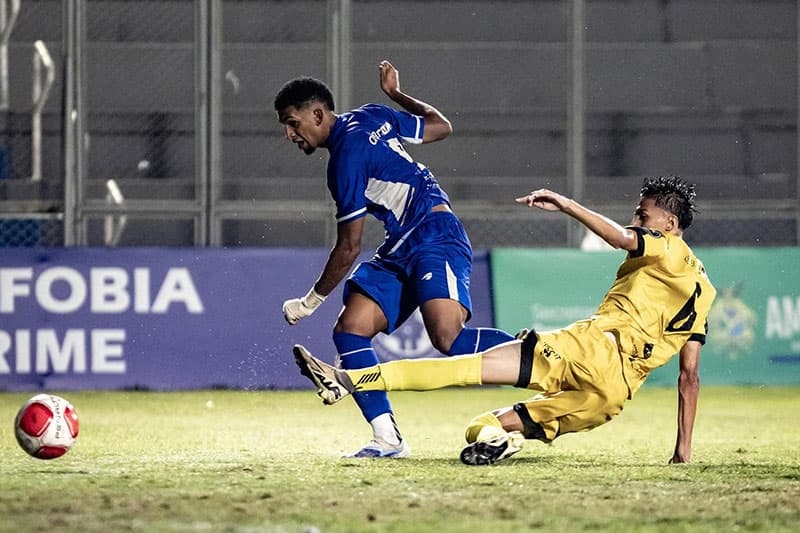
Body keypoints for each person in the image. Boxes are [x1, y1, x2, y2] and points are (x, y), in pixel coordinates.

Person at [293, 176, 718, 465]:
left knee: (460, 368)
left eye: (642, 215)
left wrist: (566, 204)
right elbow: (689, 377)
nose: (635, 221)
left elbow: (619, 238)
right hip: (609, 398)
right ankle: (505, 441)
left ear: (670, 224)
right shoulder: (704, 292)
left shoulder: (664, 246)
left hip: (589, 350)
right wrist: (682, 452)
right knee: (481, 427)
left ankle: (346, 379)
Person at [274, 60, 515, 458]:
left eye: (292, 123)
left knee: (449, 339)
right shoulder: (373, 114)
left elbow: (349, 247)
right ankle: (388, 439)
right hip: (400, 244)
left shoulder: (344, 162)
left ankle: (546, 355)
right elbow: (440, 126)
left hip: (435, 234)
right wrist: (397, 96)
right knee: (350, 330)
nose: (289, 134)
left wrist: (309, 302)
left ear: (317, 115)